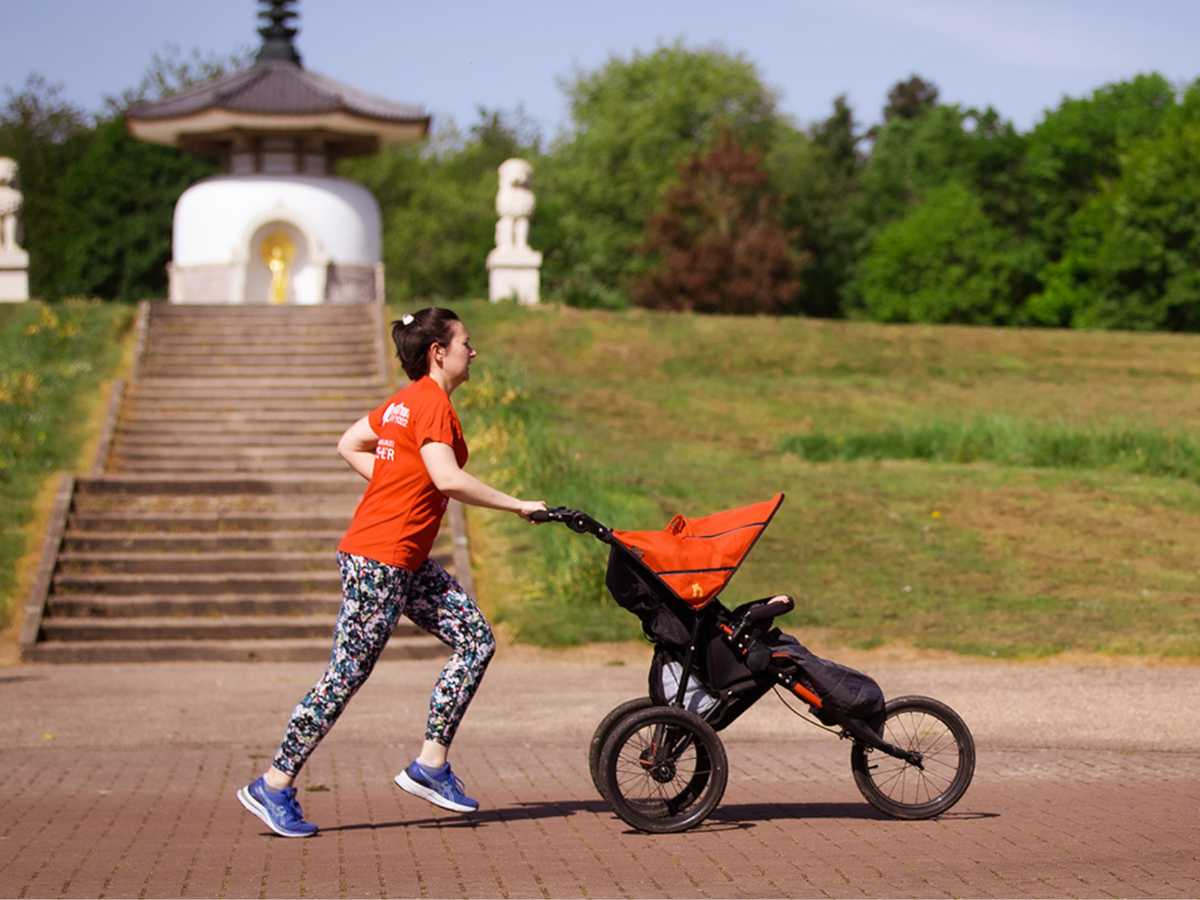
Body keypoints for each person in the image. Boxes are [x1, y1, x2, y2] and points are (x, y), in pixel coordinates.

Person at [238, 307, 545, 838]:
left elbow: (349, 442)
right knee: (345, 676)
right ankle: (275, 783)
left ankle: (430, 765)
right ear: (438, 352)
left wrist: (397, 482)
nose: (474, 352)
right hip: (379, 558)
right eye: (466, 343)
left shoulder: (405, 403)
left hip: (402, 559)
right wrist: (518, 504)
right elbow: (448, 479)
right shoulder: (431, 405)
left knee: (475, 639)